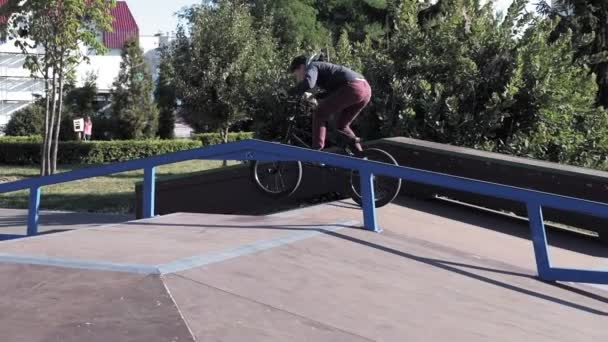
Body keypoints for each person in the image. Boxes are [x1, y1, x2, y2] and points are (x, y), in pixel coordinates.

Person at [287, 54, 371, 152]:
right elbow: (334, 90)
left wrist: (289, 92)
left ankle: (317, 152)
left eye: (296, 75)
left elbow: (309, 83)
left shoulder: (313, 66)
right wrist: (317, 96)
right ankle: (360, 155)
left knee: (319, 113)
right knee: (342, 125)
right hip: (365, 89)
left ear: (301, 67)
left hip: (353, 87)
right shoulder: (322, 67)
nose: (298, 79)